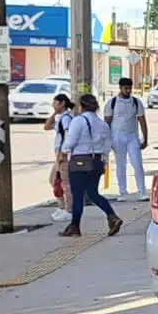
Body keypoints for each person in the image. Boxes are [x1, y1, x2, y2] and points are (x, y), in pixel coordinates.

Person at [60, 93, 122, 238]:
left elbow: (70, 142)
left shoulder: (78, 121)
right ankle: (112, 216)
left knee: (78, 195)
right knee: (93, 193)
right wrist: (104, 163)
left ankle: (75, 226)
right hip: (97, 162)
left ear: (81, 107)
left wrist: (63, 152)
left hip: (79, 162)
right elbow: (107, 146)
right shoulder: (102, 124)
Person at [103, 78, 149, 201]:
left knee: (137, 164)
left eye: (129, 88)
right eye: (125, 88)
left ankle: (142, 191)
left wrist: (145, 138)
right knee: (120, 165)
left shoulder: (136, 102)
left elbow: (142, 121)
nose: (128, 91)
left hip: (132, 136)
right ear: (120, 88)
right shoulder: (112, 103)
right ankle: (123, 192)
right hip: (117, 137)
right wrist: (107, 141)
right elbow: (106, 123)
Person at [45, 93, 74, 223]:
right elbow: (46, 127)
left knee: (65, 183)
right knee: (53, 180)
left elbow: (68, 136)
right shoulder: (60, 118)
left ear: (62, 103)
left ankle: (69, 210)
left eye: (56, 103)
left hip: (64, 155)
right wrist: (54, 113)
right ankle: (62, 206)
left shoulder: (66, 118)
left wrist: (63, 153)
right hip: (58, 154)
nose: (53, 105)